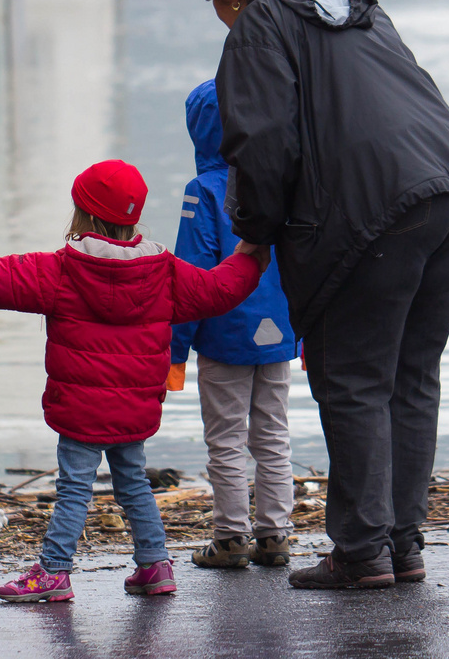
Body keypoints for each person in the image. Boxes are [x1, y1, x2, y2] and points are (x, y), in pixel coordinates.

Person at [193, 0, 449, 590]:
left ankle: (361, 553)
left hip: (375, 210)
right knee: (411, 378)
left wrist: (253, 227)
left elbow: (262, 140)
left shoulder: (259, 22)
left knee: (354, 379)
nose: (220, 20)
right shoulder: (352, 7)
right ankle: (402, 544)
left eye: (214, 3)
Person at [0, 159, 265, 603]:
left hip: (81, 409)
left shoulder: (62, 269)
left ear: (83, 214)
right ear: (133, 216)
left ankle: (54, 571)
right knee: (134, 483)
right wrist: (248, 259)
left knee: (74, 489)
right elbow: (217, 290)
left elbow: (1, 278)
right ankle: (155, 565)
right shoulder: (164, 271)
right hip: (135, 407)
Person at [169, 79, 299, 571]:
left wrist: (175, 352)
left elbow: (192, 275)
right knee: (273, 434)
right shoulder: (280, 181)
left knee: (225, 437)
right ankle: (275, 535)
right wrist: (301, 332)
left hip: (223, 334)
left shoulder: (202, 191)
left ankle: (230, 538)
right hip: (279, 331)